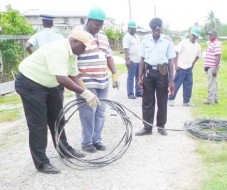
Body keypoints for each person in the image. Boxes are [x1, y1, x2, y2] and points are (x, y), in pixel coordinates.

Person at [15, 29, 100, 174]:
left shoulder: (73, 53)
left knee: (58, 119)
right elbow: (62, 78)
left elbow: (74, 76)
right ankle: (41, 162)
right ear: (75, 42)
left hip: (49, 83)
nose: (85, 50)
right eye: (84, 46)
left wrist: (87, 92)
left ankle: (64, 149)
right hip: (31, 82)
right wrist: (84, 93)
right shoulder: (58, 49)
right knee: (38, 124)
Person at [75, 7, 119, 153]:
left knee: (100, 112)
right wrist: (79, 84)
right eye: (96, 24)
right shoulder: (78, 33)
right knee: (88, 113)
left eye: (101, 25)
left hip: (102, 81)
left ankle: (97, 140)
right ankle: (87, 142)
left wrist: (114, 74)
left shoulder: (103, 35)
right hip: (86, 81)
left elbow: (108, 56)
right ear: (89, 21)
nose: (99, 27)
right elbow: (72, 58)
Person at [135, 18, 176, 136]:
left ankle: (161, 126)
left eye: (158, 28)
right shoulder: (145, 41)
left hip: (162, 72)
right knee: (147, 101)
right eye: (154, 29)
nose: (156, 31)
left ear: (161, 28)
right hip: (148, 73)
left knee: (162, 101)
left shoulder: (167, 41)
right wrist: (140, 78)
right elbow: (142, 60)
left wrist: (171, 80)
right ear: (151, 29)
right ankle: (147, 128)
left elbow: (171, 61)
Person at [25, 14, 66, 101]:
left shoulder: (38, 35)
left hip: (43, 67)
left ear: (43, 23)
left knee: (43, 94)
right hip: (57, 67)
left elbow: (27, 45)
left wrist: (34, 55)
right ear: (52, 23)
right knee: (58, 95)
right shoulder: (59, 36)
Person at [168, 27, 202, 107]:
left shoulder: (197, 46)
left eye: (195, 36)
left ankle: (186, 101)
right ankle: (170, 99)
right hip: (180, 67)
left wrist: (192, 64)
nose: (193, 37)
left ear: (197, 37)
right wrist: (176, 65)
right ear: (191, 34)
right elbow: (176, 53)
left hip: (189, 68)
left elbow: (198, 55)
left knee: (188, 85)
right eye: (193, 35)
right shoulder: (184, 43)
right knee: (175, 84)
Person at [122, 20, 143, 99]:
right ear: (128, 28)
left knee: (139, 77)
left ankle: (138, 92)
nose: (133, 30)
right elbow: (126, 49)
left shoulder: (136, 36)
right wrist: (127, 60)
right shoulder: (126, 37)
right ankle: (130, 93)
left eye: (134, 28)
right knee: (131, 78)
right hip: (132, 60)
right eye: (132, 28)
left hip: (138, 60)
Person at [203, 29, 222, 105]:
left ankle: (210, 100)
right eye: (208, 35)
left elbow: (218, 56)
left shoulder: (216, 43)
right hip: (209, 66)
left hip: (213, 67)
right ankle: (215, 99)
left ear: (215, 36)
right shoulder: (211, 43)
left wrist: (214, 68)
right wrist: (206, 66)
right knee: (214, 83)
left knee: (211, 83)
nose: (209, 36)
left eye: (210, 35)